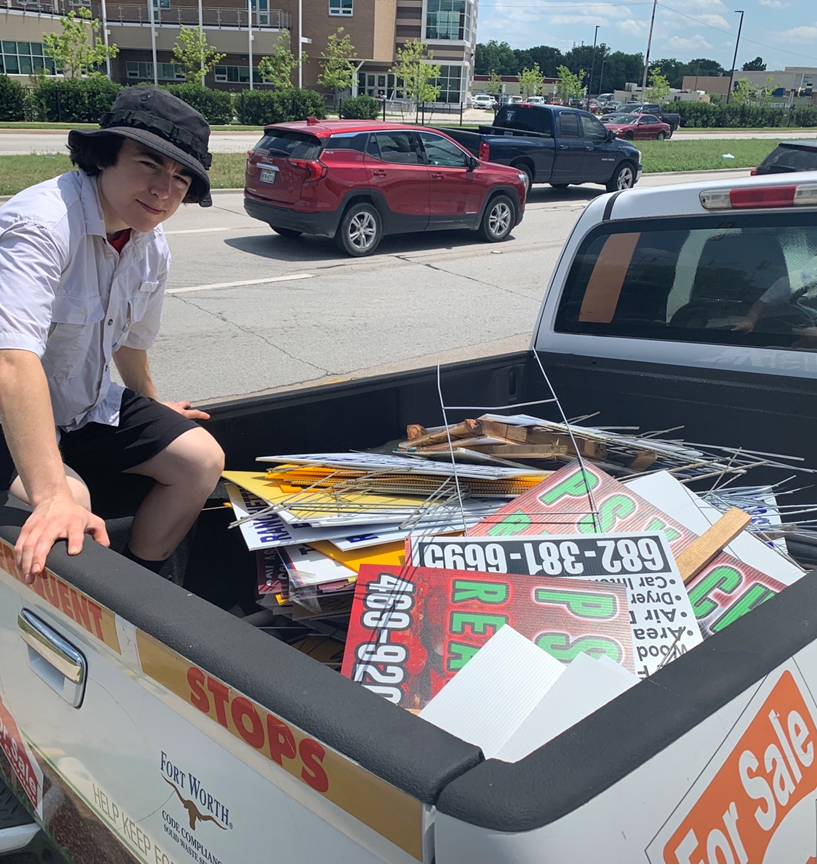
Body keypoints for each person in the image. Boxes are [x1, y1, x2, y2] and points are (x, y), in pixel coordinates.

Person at [0, 86, 225, 585]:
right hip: (7, 415)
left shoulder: (149, 241)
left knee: (200, 459)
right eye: (149, 164)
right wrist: (53, 494)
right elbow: (11, 362)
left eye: (181, 178)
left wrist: (150, 404)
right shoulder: (40, 225)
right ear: (104, 156)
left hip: (83, 405)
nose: (164, 190)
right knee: (70, 506)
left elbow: (130, 339)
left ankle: (142, 585)